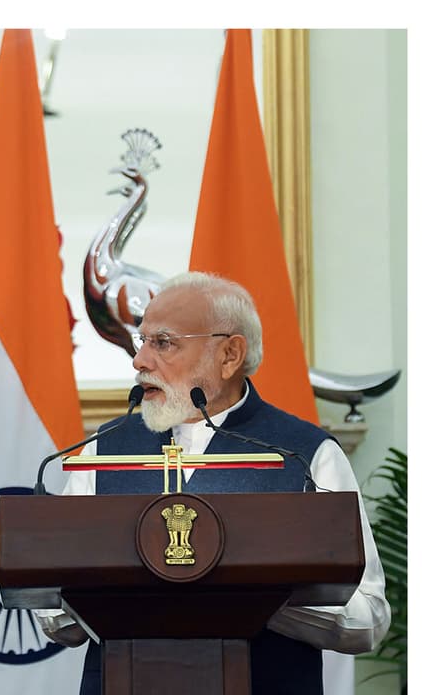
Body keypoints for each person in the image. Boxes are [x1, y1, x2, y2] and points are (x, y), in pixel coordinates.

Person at [35, 272, 389, 695]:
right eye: (141, 341)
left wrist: (260, 598)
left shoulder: (307, 454)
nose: (140, 361)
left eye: (163, 343)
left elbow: (367, 617)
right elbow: (58, 621)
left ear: (229, 354)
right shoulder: (103, 449)